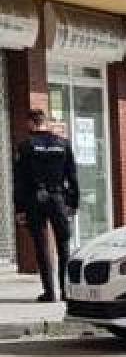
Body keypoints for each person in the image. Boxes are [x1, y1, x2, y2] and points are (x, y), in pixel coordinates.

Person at [13, 109, 79, 302]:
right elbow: (72, 177)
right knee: (64, 245)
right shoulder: (63, 145)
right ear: (45, 122)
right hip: (58, 199)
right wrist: (73, 203)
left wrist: (20, 209)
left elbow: (20, 181)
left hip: (35, 199)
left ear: (32, 123)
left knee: (42, 247)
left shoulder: (25, 146)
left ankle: (50, 293)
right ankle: (66, 291)